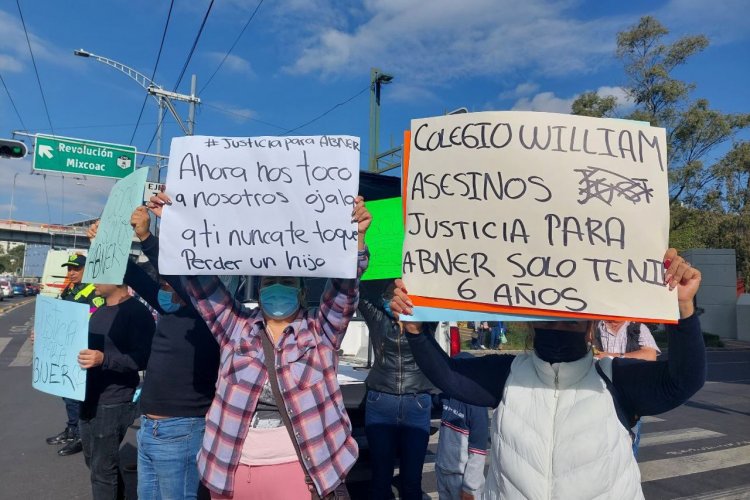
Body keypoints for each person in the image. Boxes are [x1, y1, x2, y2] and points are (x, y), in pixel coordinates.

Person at [390, 249, 705, 500]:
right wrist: (417, 332)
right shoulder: (508, 373)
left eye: (570, 323)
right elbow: (447, 376)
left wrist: (684, 308)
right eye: (548, 321)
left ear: (589, 327)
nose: (558, 330)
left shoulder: (614, 380)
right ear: (531, 322)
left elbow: (684, 381)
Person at [147, 191, 371, 499]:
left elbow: (344, 291)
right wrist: (175, 225)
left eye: (288, 282)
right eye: (269, 282)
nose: (277, 288)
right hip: (230, 475)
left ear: (302, 292)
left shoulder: (321, 333)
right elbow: (199, 281)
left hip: (302, 476)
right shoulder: (235, 327)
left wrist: (354, 241)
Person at [88, 208, 219, 500]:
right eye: (160, 284)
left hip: (181, 430)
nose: (161, 288)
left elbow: (177, 275)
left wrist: (147, 236)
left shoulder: (205, 314)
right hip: (150, 429)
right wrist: (105, 243)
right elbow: (133, 274)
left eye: (169, 283)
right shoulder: (168, 309)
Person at [78, 282, 155, 500]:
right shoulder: (99, 311)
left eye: (99, 275)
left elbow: (145, 357)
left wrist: (105, 359)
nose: (92, 282)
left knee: (102, 470)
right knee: (95, 461)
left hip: (114, 398)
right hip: (88, 395)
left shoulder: (136, 312)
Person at [358, 284, 434, 500]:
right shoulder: (376, 315)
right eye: (394, 294)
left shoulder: (427, 319)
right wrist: (383, 297)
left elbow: (442, 293)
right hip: (381, 401)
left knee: (412, 480)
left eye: (405, 294)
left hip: (417, 401)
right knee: (380, 479)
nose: (400, 298)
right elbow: (360, 290)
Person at [45, 254, 105, 457]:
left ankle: (80, 434)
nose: (71, 272)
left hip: (83, 351)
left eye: (76, 269)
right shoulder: (70, 289)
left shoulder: (92, 291)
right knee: (66, 393)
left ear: (86, 270)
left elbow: (93, 319)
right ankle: (72, 428)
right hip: (66, 350)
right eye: (69, 268)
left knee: (76, 395)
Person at [592, 320, 661, 458]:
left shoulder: (637, 328)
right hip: (598, 395)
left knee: (629, 442)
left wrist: (611, 356)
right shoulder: (594, 327)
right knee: (599, 444)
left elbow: (650, 355)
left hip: (630, 398)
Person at [435, 354, 488, 500]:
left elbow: (478, 452)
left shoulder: (477, 406)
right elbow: (433, 399)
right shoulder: (447, 396)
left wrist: (470, 488)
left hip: (462, 479)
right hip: (443, 471)